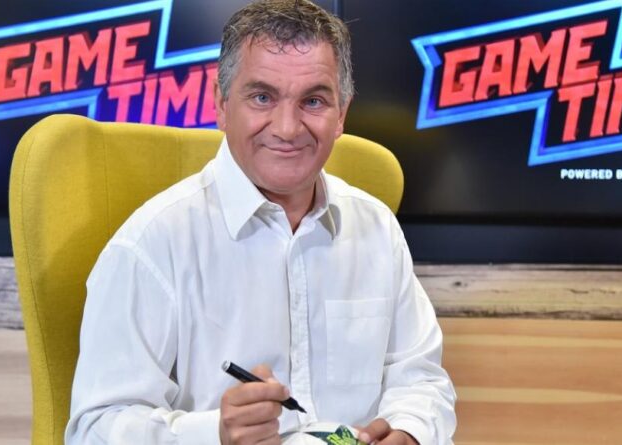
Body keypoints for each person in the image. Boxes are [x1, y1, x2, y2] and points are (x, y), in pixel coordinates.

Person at [65, 1, 456, 444]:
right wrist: (214, 435)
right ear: (221, 104)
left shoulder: (377, 228)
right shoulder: (151, 244)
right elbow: (94, 429)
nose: (287, 128)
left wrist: (411, 430)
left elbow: (422, 380)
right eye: (262, 97)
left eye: (313, 101)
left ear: (341, 114)